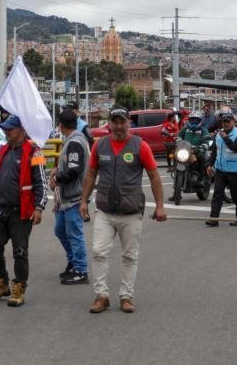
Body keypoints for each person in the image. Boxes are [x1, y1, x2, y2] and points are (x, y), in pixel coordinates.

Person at [80, 107, 167, 314]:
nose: (118, 126)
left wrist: (160, 207)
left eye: (122, 122)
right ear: (109, 123)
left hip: (130, 212)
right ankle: (102, 296)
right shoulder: (100, 145)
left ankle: (126, 296)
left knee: (129, 256)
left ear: (129, 123)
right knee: (99, 252)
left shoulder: (141, 146)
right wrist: (83, 201)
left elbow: (155, 176)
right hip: (105, 211)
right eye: (114, 122)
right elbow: (91, 174)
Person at [0, 115, 47, 308]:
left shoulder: (34, 152)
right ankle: (1, 281)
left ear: (21, 129)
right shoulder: (1, 151)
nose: (6, 132)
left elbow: (42, 183)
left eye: (10, 129)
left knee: (20, 252)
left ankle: (19, 287)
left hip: (21, 212)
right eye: (5, 129)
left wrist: (39, 207)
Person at [51, 108, 89, 285]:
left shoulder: (74, 142)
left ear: (60, 125)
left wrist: (57, 178)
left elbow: (74, 170)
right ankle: (73, 262)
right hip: (67, 197)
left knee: (74, 234)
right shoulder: (72, 140)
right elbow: (70, 166)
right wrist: (58, 170)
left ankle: (81, 270)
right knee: (60, 230)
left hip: (74, 197)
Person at [206, 111, 237, 226]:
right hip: (220, 170)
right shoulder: (219, 134)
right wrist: (210, 164)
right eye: (223, 122)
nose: (225, 124)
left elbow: (236, 149)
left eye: (228, 121)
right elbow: (215, 150)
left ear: (233, 122)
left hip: (234, 171)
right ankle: (213, 219)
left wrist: (225, 138)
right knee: (217, 195)